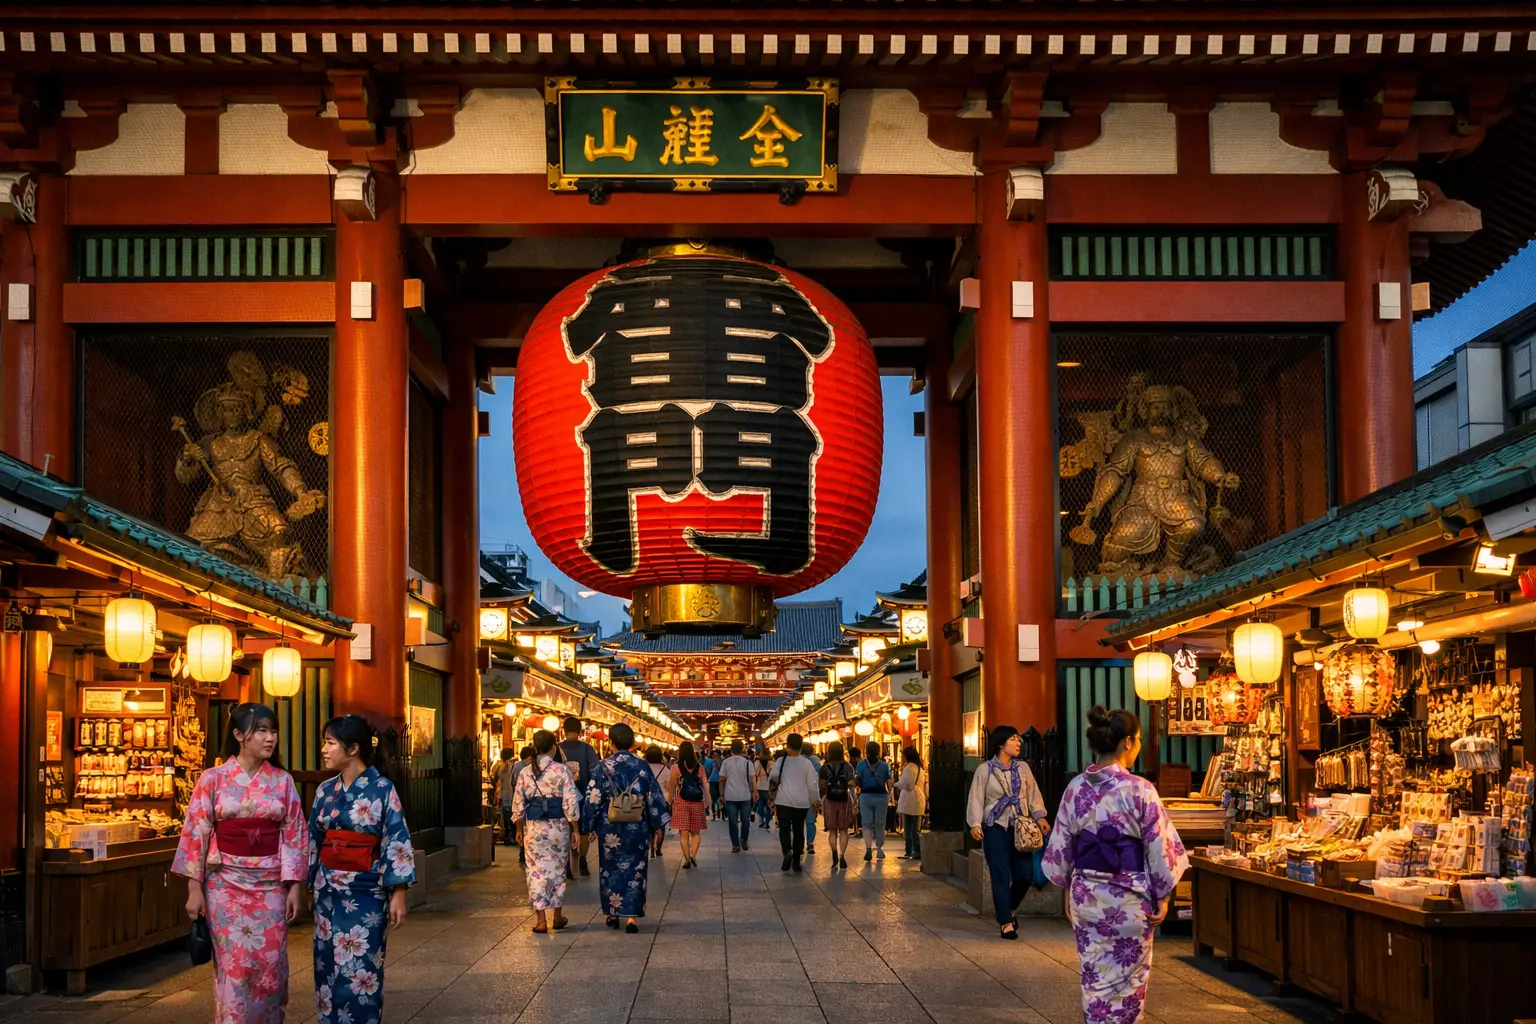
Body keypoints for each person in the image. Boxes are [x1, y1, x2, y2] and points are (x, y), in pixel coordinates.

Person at [1045, 707, 1188, 1024]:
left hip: (1087, 897)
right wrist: (1163, 896)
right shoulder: (1141, 789)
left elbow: (1062, 848)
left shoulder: (1075, 788)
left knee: (1094, 979)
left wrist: (1068, 890)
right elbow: (1160, 847)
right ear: (1127, 742)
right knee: (1129, 984)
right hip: (1129, 900)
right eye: (1139, 739)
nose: (1138, 745)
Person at [173, 703, 308, 1024]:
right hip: (225, 885)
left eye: (273, 731)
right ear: (238, 735)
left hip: (271, 885)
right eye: (260, 731)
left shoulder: (282, 781)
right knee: (233, 969)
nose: (270, 738)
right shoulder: (213, 779)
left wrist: (294, 886)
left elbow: (294, 834)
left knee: (271, 967)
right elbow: (197, 832)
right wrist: (194, 888)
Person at [308, 714, 414, 1024]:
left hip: (366, 892)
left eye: (330, 743)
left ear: (353, 748)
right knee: (326, 967)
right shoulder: (325, 790)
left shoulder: (382, 789)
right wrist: (306, 884)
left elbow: (396, 838)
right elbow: (313, 840)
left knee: (362, 969)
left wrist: (398, 892)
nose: (324, 749)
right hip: (328, 892)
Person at [582, 723, 670, 932]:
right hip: (637, 826)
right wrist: (657, 823)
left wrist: (589, 824)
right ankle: (632, 917)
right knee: (636, 870)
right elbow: (653, 795)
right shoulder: (642, 766)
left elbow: (593, 797)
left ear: (610, 742)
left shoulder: (602, 767)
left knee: (609, 869)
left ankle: (613, 913)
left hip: (610, 826)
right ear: (632, 743)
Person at [968, 724, 1050, 939]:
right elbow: (976, 797)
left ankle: (1009, 908)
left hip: (1020, 828)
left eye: (1018, 738)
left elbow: (1033, 793)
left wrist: (1040, 816)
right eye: (1013, 739)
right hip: (994, 827)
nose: (1018, 742)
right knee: (1000, 874)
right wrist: (975, 824)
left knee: (1025, 875)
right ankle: (1005, 922)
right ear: (1001, 744)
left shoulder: (1023, 768)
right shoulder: (985, 770)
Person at [512, 729, 581, 934]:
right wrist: (576, 829)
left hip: (534, 829)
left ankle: (541, 920)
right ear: (553, 747)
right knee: (558, 870)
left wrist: (518, 829)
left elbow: (518, 804)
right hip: (558, 827)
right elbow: (570, 802)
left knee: (535, 872)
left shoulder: (526, 772)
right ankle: (557, 916)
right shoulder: (561, 770)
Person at [768, 733, 820, 873]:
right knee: (798, 829)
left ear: (787, 745)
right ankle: (797, 859)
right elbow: (812, 785)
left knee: (784, 829)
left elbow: (773, 776)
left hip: (783, 801)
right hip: (801, 802)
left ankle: (787, 852)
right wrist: (814, 800)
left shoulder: (781, 761)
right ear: (801, 746)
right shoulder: (806, 763)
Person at [558, 717, 602, 877]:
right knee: (583, 830)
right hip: (584, 797)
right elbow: (596, 771)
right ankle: (582, 859)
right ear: (580, 731)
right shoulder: (587, 749)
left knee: (566, 829)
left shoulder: (557, 748)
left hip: (561, 798)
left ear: (563, 730)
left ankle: (568, 864)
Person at [817, 740, 857, 871]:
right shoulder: (848, 766)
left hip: (829, 800)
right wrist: (853, 798)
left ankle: (834, 852)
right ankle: (842, 855)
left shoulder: (824, 768)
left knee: (832, 830)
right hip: (844, 799)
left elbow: (821, 785)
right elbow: (851, 783)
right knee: (843, 830)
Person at [669, 741, 709, 868]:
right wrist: (709, 800)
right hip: (697, 802)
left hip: (681, 801)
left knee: (683, 833)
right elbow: (705, 784)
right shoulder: (700, 767)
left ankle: (686, 859)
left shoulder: (675, 767)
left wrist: (669, 800)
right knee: (695, 832)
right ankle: (693, 855)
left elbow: (671, 786)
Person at [717, 739, 757, 853]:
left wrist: (721, 794)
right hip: (745, 796)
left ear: (731, 749)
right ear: (742, 749)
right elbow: (753, 779)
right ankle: (744, 839)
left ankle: (735, 845)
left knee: (732, 821)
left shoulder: (726, 762)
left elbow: (722, 779)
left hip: (730, 796)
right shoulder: (748, 763)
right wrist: (755, 791)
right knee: (745, 820)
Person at [855, 742, 892, 862]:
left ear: (866, 751)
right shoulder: (884, 765)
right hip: (881, 796)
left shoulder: (861, 764)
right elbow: (889, 781)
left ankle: (868, 848)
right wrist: (890, 794)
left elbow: (858, 779)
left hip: (865, 796)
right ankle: (879, 849)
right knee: (880, 824)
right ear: (878, 751)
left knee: (867, 824)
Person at [895, 746, 927, 861]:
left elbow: (906, 785)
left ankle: (910, 851)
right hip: (919, 800)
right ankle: (915, 851)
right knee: (915, 828)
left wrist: (895, 784)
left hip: (909, 801)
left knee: (908, 828)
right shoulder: (920, 769)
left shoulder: (908, 768)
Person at [644, 745, 672, 858]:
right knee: (661, 825)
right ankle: (658, 849)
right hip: (662, 800)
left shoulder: (643, 768)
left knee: (649, 826)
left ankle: (651, 850)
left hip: (647, 799)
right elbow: (669, 787)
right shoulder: (665, 769)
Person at [491, 748, 518, 847]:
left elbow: (493, 779)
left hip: (502, 793)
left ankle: (506, 834)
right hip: (512, 793)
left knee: (504, 815)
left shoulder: (498, 765)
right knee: (512, 815)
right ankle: (512, 836)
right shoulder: (514, 765)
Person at [802, 742, 822, 855]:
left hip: (796, 796)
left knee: (798, 822)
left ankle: (799, 844)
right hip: (811, 795)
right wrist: (817, 799)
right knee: (810, 821)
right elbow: (816, 779)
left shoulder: (794, 761)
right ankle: (810, 843)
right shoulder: (814, 761)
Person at [755, 753, 773, 829]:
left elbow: (755, 774)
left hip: (764, 788)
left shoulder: (770, 764)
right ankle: (765, 821)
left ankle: (764, 821)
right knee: (765, 807)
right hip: (765, 789)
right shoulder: (760, 763)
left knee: (763, 807)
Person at [702, 748, 719, 820]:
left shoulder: (709, 761)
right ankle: (714, 813)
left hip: (715, 781)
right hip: (712, 781)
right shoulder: (712, 762)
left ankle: (716, 813)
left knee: (715, 797)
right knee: (713, 797)